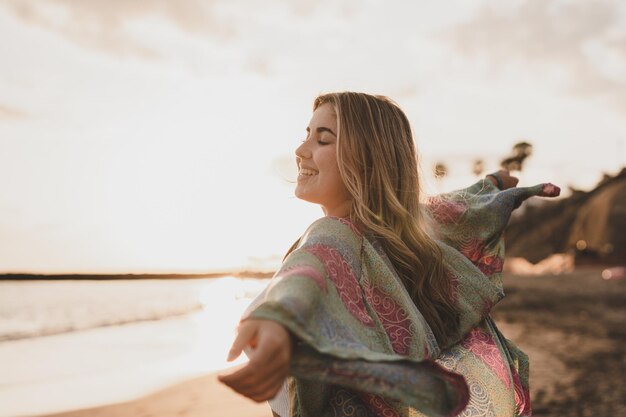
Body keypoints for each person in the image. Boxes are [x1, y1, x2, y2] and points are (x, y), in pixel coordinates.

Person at [218, 92, 559, 416]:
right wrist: (494, 184)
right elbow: (456, 209)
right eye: (307, 135)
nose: (301, 150)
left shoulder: (331, 237)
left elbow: (305, 280)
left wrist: (280, 321)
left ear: (366, 161)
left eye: (322, 139)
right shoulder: (399, 237)